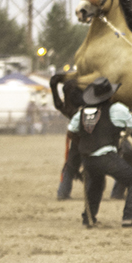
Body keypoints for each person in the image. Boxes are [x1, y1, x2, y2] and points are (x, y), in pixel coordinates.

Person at [67, 78, 132, 228]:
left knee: (96, 184)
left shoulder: (82, 112)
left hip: (88, 159)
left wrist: (83, 144)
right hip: (106, 157)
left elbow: (71, 131)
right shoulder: (116, 109)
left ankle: (88, 219)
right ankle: (130, 216)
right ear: (110, 95)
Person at [50, 74, 84, 202]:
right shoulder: (86, 109)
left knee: (71, 163)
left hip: (77, 136)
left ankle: (63, 191)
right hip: (89, 137)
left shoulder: (72, 111)